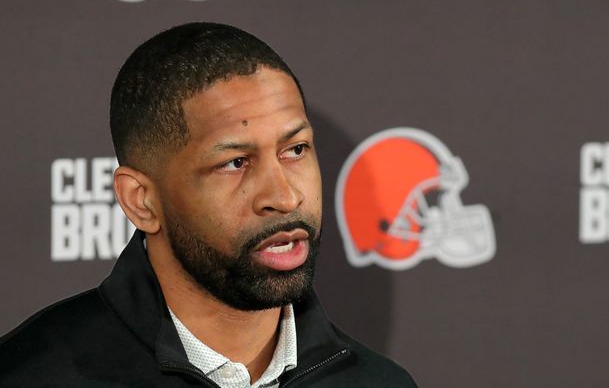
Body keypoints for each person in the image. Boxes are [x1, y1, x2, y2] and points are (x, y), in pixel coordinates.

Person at [0, 22, 416, 387]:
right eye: (235, 163)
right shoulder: (31, 376)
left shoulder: (380, 382)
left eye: (295, 150)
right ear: (141, 201)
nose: (285, 196)